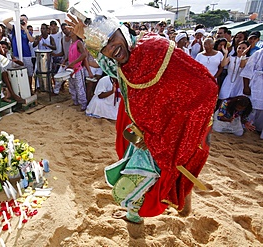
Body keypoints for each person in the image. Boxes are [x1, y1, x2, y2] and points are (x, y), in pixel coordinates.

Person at [66, 11, 217, 227]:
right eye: (105, 46)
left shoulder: (156, 48)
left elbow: (204, 86)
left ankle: (174, 201)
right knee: (140, 177)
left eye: (112, 38)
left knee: (135, 183)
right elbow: (111, 66)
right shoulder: (122, 60)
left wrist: (173, 127)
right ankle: (140, 214)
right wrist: (85, 37)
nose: (111, 48)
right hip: (142, 134)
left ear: (123, 31)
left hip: (165, 135)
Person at [3, 14, 35, 93]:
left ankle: (30, 88)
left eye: (24, 20)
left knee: (29, 73)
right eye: (21, 20)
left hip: (26, 55)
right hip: (17, 54)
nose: (22, 21)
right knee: (17, 72)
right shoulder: (15, 28)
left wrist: (25, 29)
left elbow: (31, 40)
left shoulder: (28, 31)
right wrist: (15, 17)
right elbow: (5, 22)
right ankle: (18, 90)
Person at [241, 48, 263, 139]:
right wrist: (246, 86)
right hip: (256, 84)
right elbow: (247, 71)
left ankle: (259, 130)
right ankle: (247, 129)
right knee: (252, 108)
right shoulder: (258, 53)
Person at [66, 30, 87, 111]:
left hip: (77, 68)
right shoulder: (72, 43)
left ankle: (83, 104)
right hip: (71, 69)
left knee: (79, 87)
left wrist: (74, 63)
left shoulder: (78, 42)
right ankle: (75, 102)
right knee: (72, 87)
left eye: (71, 31)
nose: (70, 32)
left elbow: (84, 54)